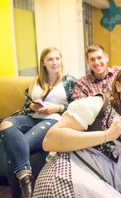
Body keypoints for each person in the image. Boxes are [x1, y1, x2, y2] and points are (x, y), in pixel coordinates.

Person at [32, 61, 121, 197]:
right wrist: (107, 135)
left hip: (108, 187)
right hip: (71, 173)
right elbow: (50, 140)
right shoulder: (97, 104)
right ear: (118, 86)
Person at [0, 47, 76, 198]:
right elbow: (27, 103)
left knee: (14, 151)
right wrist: (32, 106)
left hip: (53, 119)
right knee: (5, 124)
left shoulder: (70, 81)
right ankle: (26, 180)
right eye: (50, 59)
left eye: (57, 58)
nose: (55, 62)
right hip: (31, 117)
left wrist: (58, 107)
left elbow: (75, 106)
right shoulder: (35, 81)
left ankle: (23, 192)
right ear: (43, 63)